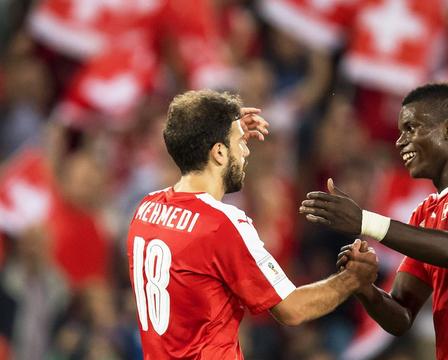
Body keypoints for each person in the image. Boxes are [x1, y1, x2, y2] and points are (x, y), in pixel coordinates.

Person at [125, 90, 377, 359]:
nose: (246, 151)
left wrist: (224, 129)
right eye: (239, 143)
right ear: (219, 152)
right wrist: (352, 279)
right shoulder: (222, 224)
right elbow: (293, 309)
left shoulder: (146, 209)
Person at [299, 83, 448, 359]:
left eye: (411, 128)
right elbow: (401, 315)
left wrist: (365, 221)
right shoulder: (425, 213)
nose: (400, 141)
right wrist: (364, 287)